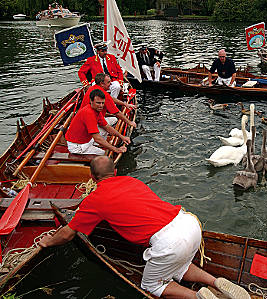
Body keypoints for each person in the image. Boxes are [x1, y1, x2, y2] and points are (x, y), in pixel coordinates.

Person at [39, 156, 251, 299]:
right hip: (187, 223)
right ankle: (216, 281)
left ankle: (198, 296)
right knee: (180, 265)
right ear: (115, 171)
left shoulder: (94, 199)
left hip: (168, 241)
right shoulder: (131, 181)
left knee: (151, 286)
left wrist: (46, 241)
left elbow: (67, 234)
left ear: (92, 178)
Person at [65, 89, 130, 155]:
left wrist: (122, 137)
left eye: (103, 103)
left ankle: (97, 145)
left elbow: (107, 127)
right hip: (77, 146)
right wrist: (116, 149)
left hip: (86, 140)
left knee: (104, 130)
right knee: (103, 153)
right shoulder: (89, 113)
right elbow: (97, 138)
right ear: (91, 101)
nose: (101, 106)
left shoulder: (96, 110)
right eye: (98, 103)